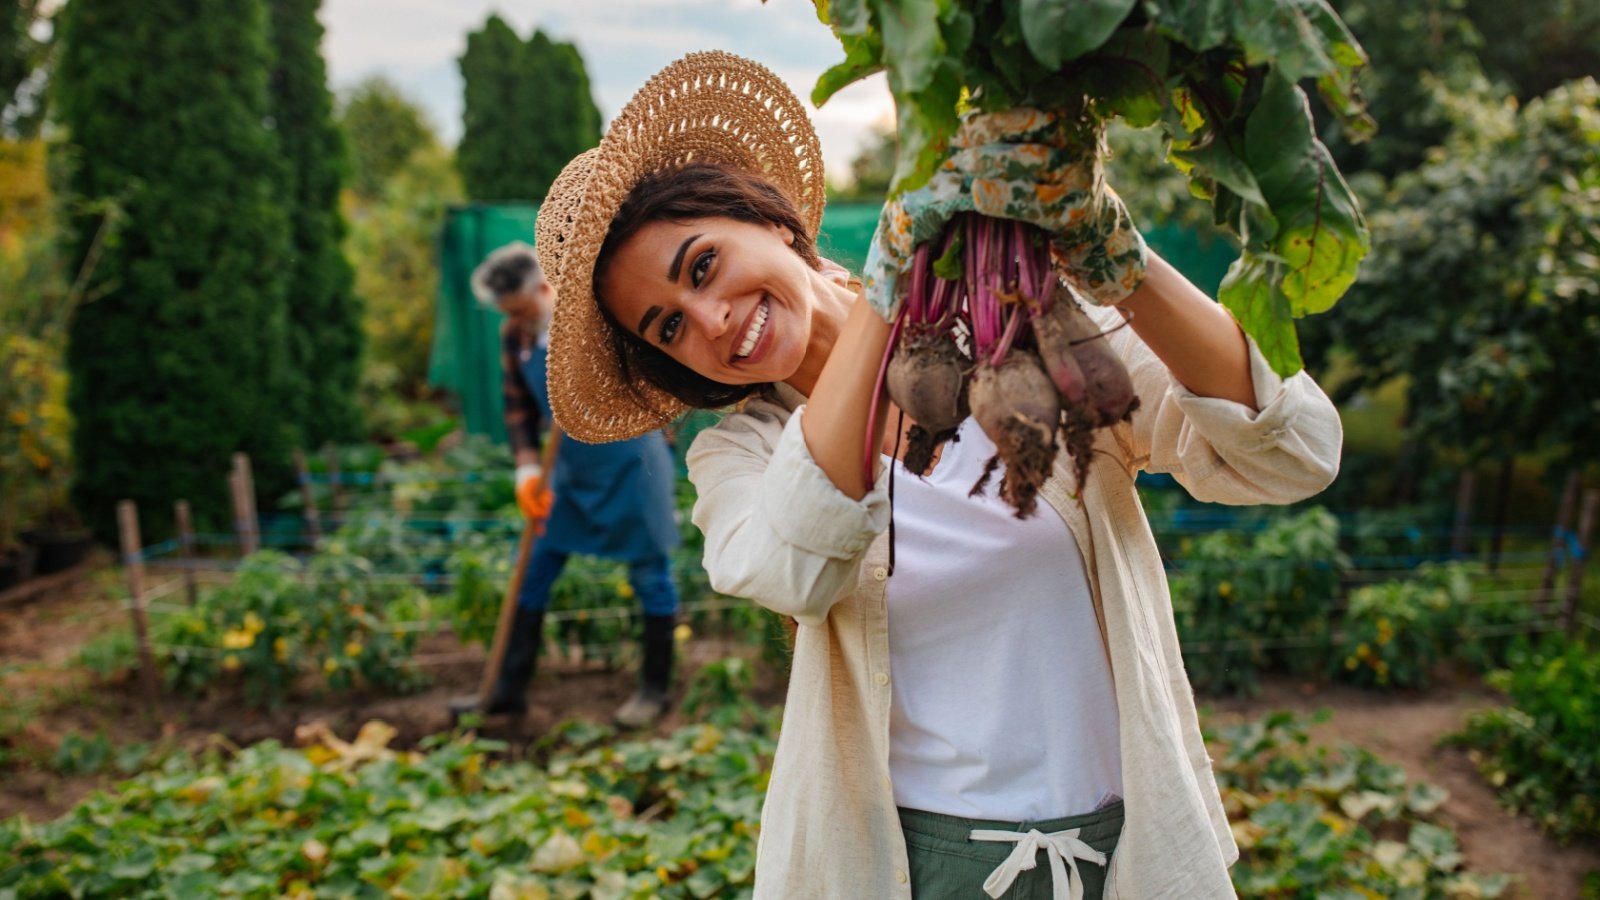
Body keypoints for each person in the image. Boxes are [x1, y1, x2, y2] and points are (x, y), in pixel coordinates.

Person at [535, 51, 1342, 899]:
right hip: (925, 868)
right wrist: (886, 292)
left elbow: (1293, 454)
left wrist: (1117, 259)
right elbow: (792, 571)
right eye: (668, 328)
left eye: (701, 267)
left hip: (1132, 851)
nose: (709, 318)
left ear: (768, 220)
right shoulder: (743, 454)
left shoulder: (1026, 339)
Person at [461, 242, 682, 728]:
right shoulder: (514, 334)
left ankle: (654, 691)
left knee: (649, 575)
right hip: (567, 468)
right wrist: (526, 470)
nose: (515, 319)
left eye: (520, 308)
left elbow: (657, 379)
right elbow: (518, 409)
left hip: (631, 461)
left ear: (543, 287)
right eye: (507, 313)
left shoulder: (596, 321)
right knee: (534, 568)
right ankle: (506, 690)